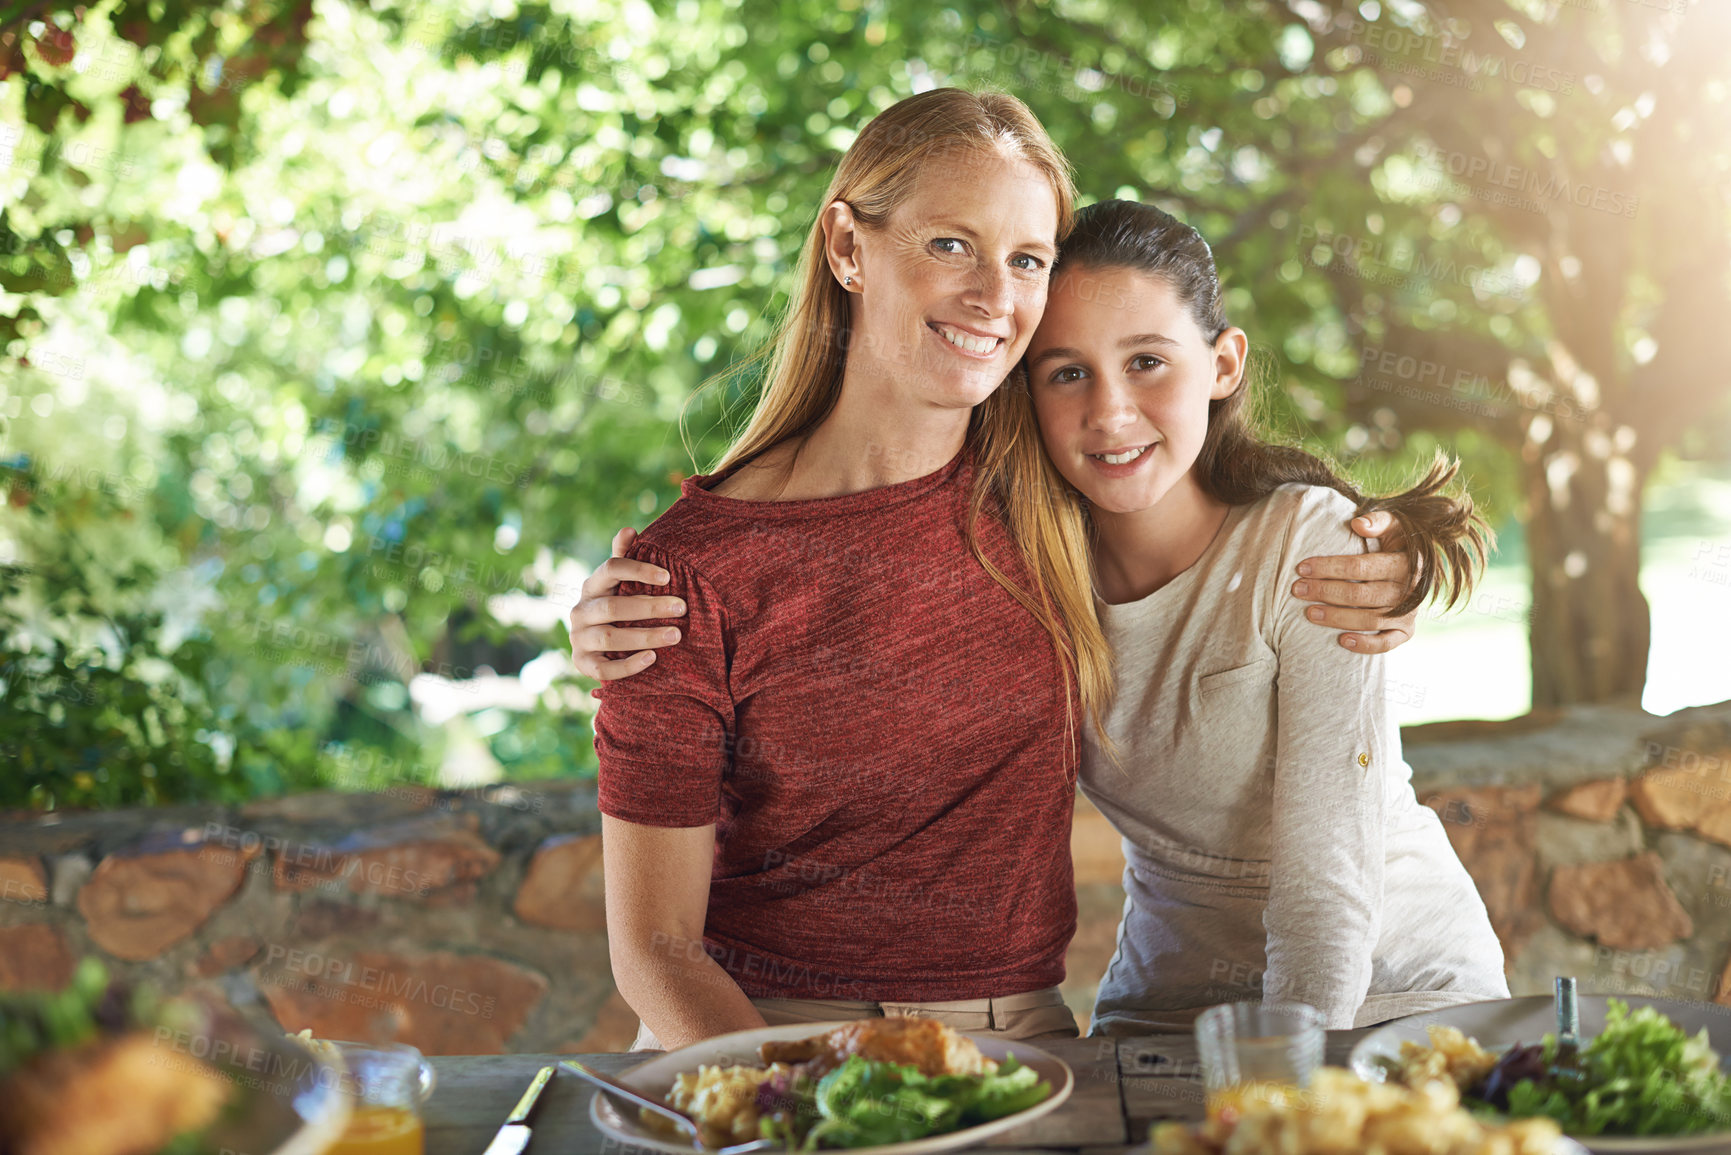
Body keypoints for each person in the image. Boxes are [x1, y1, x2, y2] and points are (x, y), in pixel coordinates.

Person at [581, 89, 1424, 1053]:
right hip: (752, 1038)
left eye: (1026, 259)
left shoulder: (1045, 498)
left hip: (1010, 1046)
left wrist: (1394, 565)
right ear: (847, 249)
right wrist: (797, 1105)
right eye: (951, 245)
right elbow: (653, 950)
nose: (994, 294)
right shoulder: (684, 574)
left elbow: (1234, 514)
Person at [1021, 200, 1508, 1032]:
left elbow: (1325, 882)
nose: (1107, 411)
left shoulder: (1307, 544)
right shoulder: (1028, 571)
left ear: (1222, 364)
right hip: (1169, 1006)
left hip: (1391, 991)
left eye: (1145, 361)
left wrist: (1282, 1088)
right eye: (1067, 372)